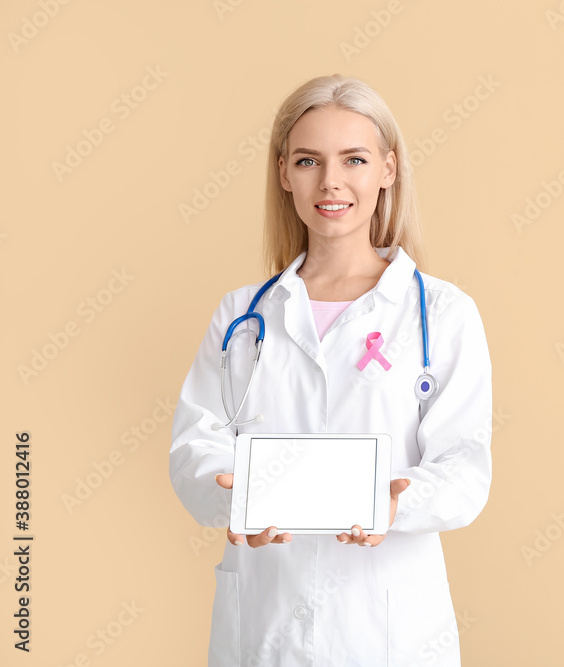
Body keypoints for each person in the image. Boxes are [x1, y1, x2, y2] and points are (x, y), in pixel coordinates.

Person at [168, 74, 493, 666]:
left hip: (387, 630)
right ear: (283, 172)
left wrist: (396, 503)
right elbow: (196, 448)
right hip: (265, 624)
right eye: (308, 160)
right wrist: (237, 499)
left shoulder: (442, 313)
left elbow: (465, 469)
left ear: (388, 170)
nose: (331, 182)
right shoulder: (243, 315)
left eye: (355, 159)